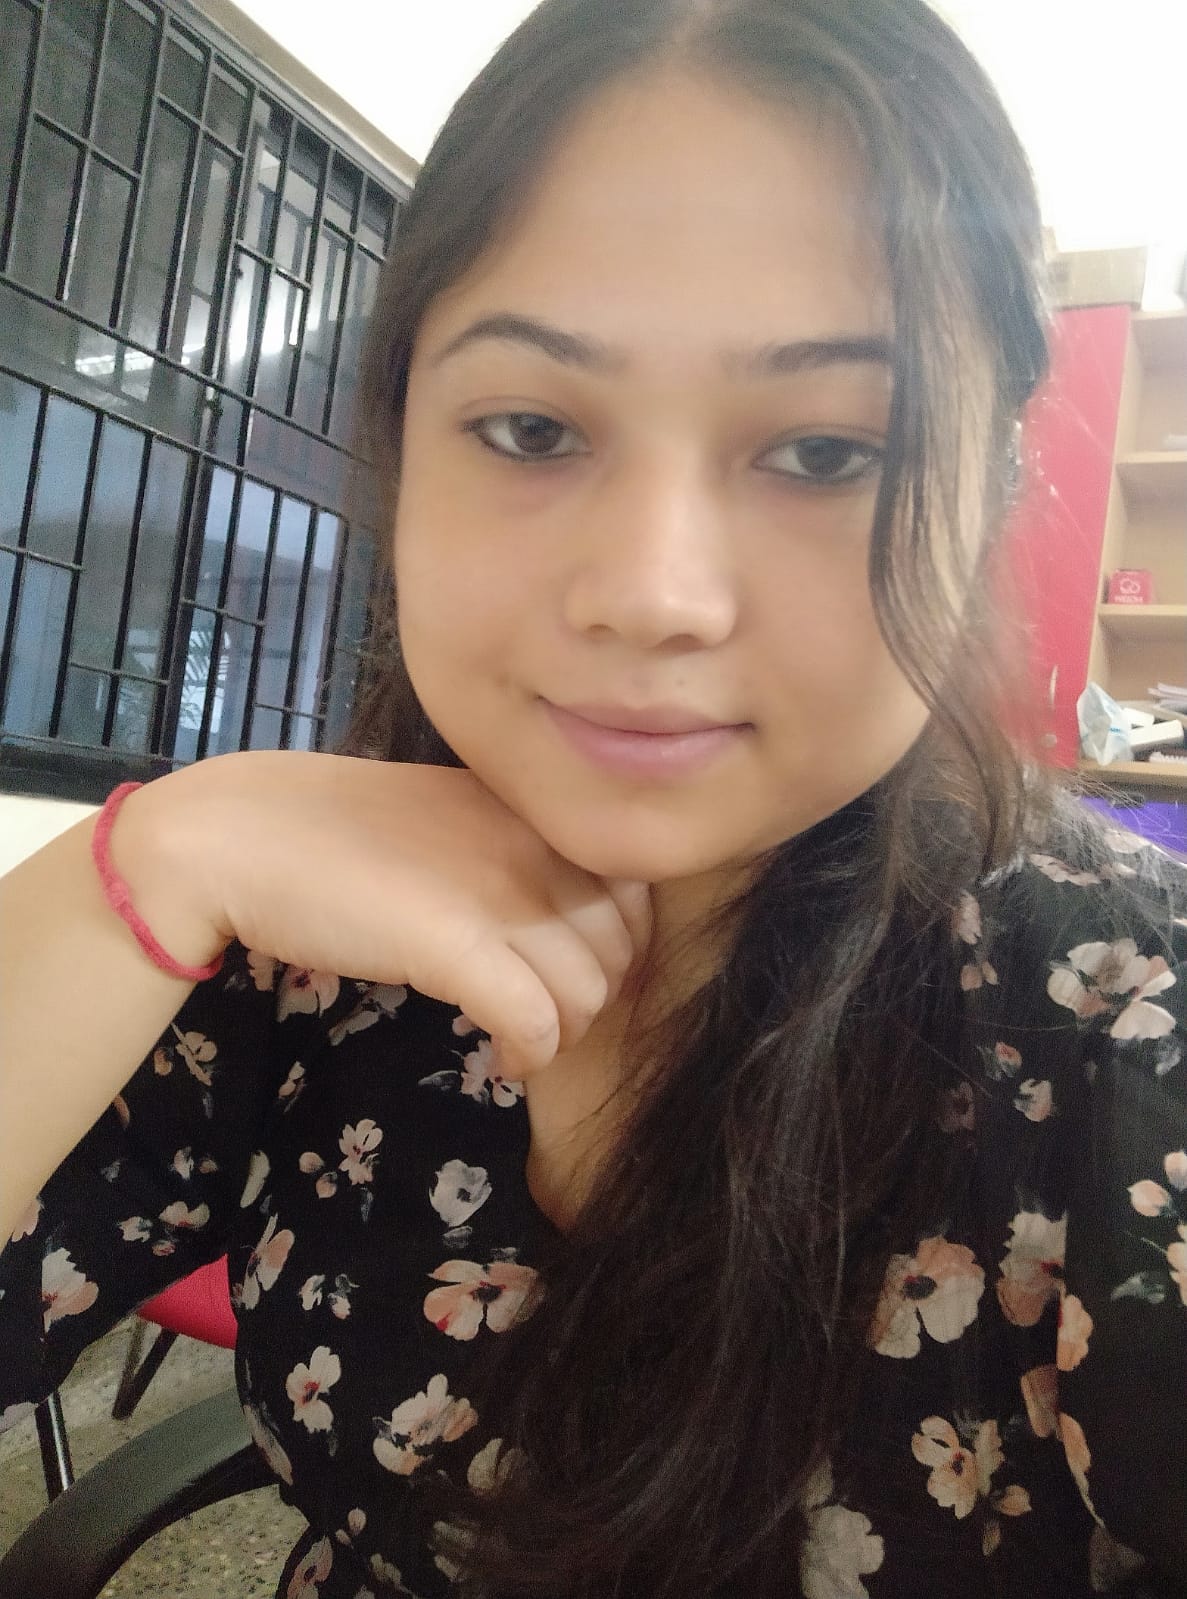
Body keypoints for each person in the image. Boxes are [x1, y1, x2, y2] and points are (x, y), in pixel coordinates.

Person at [1, 0, 1184, 1594]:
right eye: (533, 427)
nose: (649, 595)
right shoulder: (306, 929)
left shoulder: (1132, 1033)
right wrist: (149, 860)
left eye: (827, 453)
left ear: (988, 493)